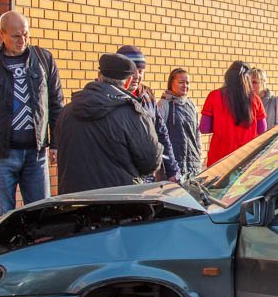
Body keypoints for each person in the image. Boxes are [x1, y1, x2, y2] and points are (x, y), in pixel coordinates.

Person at [0, 10, 63, 220]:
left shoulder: (43, 59)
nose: (22, 40)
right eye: (16, 36)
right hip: (0, 154)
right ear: (1, 33)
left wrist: (57, 143)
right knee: (2, 216)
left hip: (36, 153)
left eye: (26, 34)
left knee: (41, 214)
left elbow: (56, 103)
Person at [55, 53, 162, 194]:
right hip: (117, 200)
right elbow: (151, 162)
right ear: (128, 81)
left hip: (73, 200)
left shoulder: (67, 111)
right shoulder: (133, 114)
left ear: (99, 76)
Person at [116, 44, 178, 182]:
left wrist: (172, 170)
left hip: (147, 176)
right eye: (132, 71)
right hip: (122, 178)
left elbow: (161, 132)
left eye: (140, 71)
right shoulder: (111, 97)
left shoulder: (147, 95)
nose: (137, 76)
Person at [201, 61, 266, 166]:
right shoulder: (255, 99)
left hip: (219, 159)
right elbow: (262, 129)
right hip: (246, 159)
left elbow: (204, 128)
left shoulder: (214, 96)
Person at [157, 67, 202, 180]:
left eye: (187, 83)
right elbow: (159, 136)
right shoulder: (163, 104)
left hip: (193, 166)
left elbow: (197, 133)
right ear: (171, 83)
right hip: (173, 169)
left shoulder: (191, 105)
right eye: (181, 82)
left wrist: (199, 155)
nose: (185, 86)